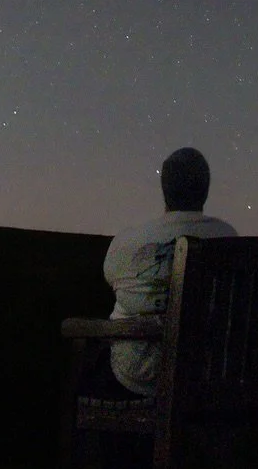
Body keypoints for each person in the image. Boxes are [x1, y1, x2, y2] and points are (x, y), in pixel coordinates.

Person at [96, 146, 238, 398]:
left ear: (165, 189)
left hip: (138, 377)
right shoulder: (229, 239)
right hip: (206, 374)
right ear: (205, 189)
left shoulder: (129, 241)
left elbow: (111, 280)